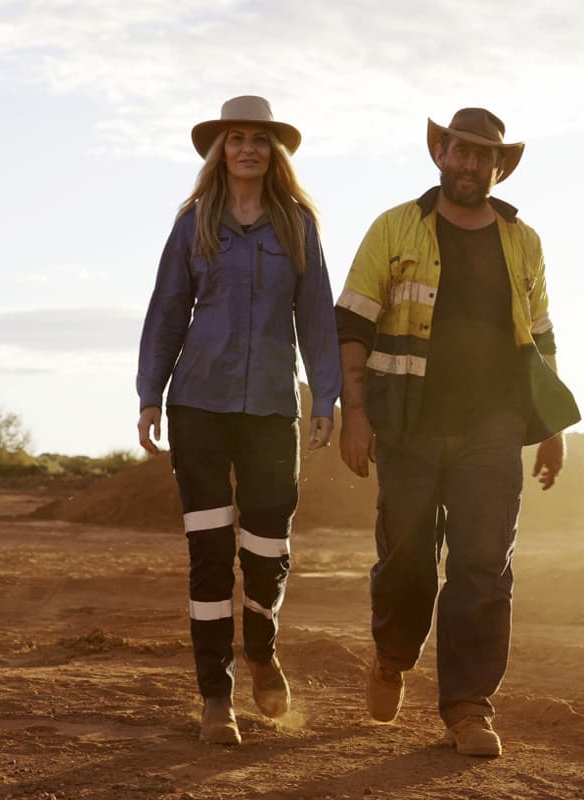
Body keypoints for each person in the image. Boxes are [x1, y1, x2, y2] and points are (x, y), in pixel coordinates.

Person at [334, 107, 580, 758]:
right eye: (460, 151)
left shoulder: (522, 240)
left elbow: (542, 336)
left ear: (499, 166)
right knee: (408, 558)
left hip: (492, 426)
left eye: (485, 156)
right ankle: (391, 657)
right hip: (408, 422)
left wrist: (551, 426)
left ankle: (469, 707)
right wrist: (354, 412)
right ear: (440, 153)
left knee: (481, 564)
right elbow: (353, 322)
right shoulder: (394, 228)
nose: (471, 164)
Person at [136, 95, 341, 746]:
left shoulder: (297, 226)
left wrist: (326, 398)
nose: (247, 147)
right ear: (219, 150)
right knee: (209, 551)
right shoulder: (195, 223)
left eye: (259, 138)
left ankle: (263, 649)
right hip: (198, 402)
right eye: (235, 137)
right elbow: (168, 309)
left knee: (267, 551)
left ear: (274, 151)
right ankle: (215, 696)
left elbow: (315, 317)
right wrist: (149, 394)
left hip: (273, 406)